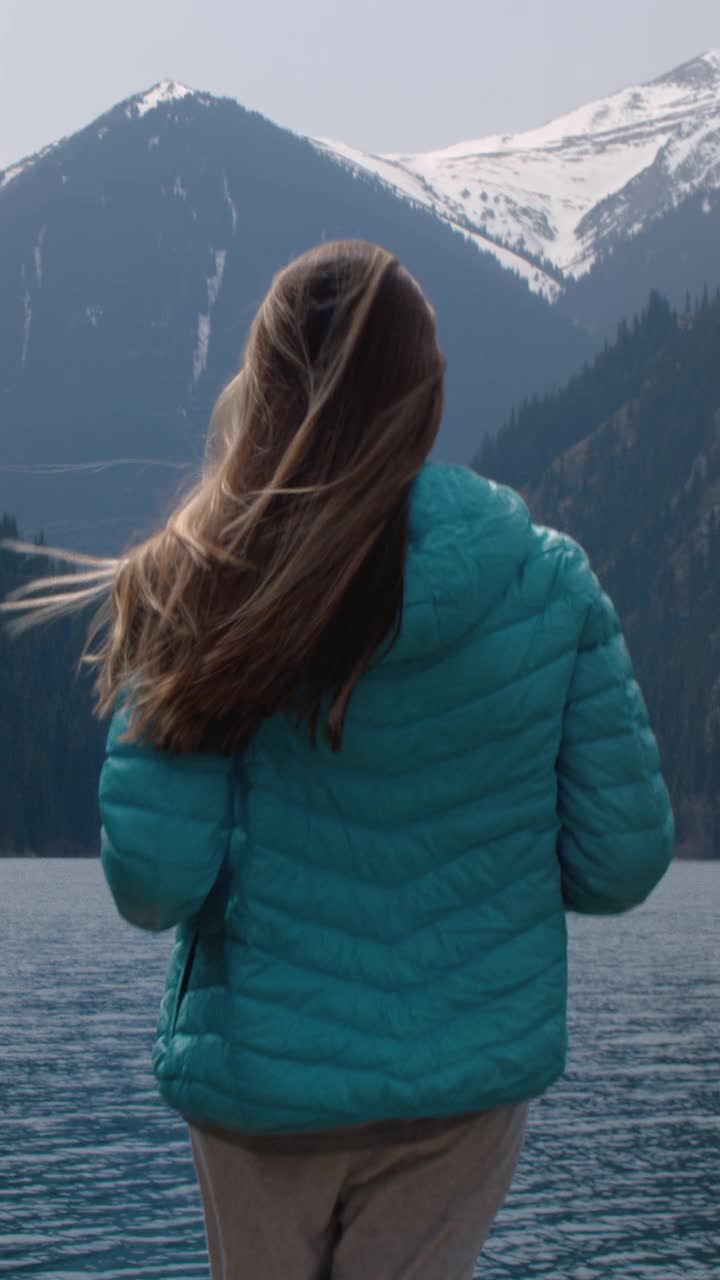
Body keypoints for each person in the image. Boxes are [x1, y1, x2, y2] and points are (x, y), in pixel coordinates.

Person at [3, 240, 674, 1280]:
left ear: (262, 384)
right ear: (430, 394)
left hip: (264, 1090)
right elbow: (619, 861)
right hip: (463, 1087)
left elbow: (154, 883)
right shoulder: (548, 583)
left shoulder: (201, 587)